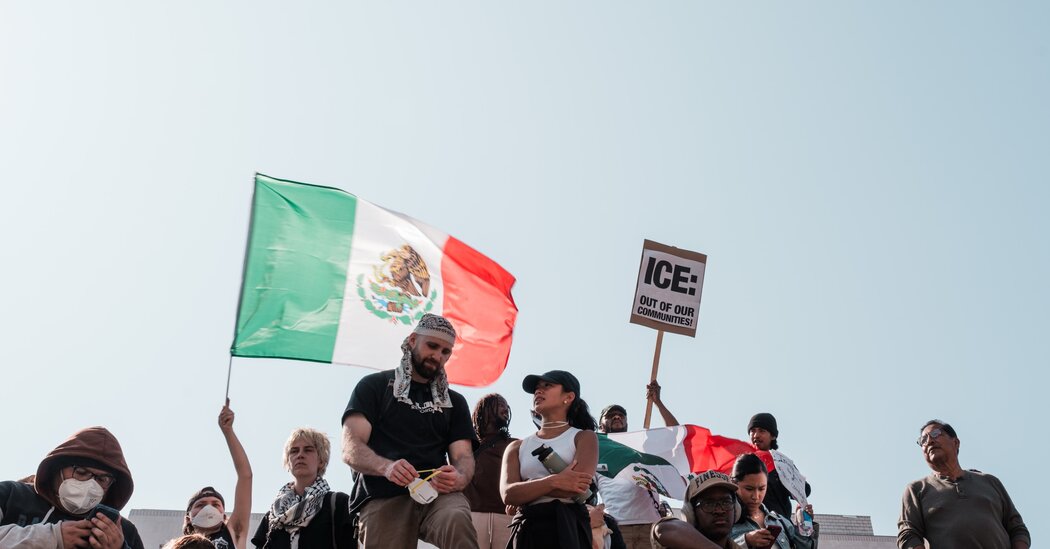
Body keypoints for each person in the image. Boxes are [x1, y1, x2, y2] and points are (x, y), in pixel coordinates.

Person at [341, 313, 478, 549]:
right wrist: (387, 467)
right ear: (413, 340)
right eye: (432, 346)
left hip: (437, 494)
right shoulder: (374, 386)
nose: (438, 356)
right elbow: (350, 448)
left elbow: (463, 456)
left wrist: (460, 477)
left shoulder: (454, 402)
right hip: (383, 495)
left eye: (446, 352)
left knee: (457, 518)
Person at [0, 426, 145, 549]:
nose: (91, 485)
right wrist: (52, 537)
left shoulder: (123, 531)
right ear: (57, 468)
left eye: (102, 479)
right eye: (81, 472)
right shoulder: (11, 495)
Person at [500, 369, 599, 549]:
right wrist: (555, 481)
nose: (538, 391)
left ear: (568, 397)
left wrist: (527, 490)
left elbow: (577, 487)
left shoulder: (584, 437)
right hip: (528, 529)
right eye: (537, 388)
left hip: (569, 527)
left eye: (547, 385)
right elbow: (508, 494)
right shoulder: (516, 447)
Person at [897, 419, 1030, 549]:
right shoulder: (917, 489)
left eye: (936, 434)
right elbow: (908, 536)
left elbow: (1017, 528)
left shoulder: (990, 482)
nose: (930, 441)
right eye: (923, 440)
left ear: (956, 442)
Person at [597, 381, 679, 549]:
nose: (617, 417)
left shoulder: (641, 448)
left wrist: (658, 402)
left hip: (652, 527)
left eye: (621, 415)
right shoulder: (595, 452)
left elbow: (674, 435)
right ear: (600, 426)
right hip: (616, 528)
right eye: (611, 415)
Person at [251, 427, 355, 549]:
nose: (300, 455)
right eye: (294, 451)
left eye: (308, 450)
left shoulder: (337, 503)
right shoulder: (274, 515)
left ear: (321, 460)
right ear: (288, 461)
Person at [183, 400, 253, 549]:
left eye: (216, 504)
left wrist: (228, 431)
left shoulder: (235, 532)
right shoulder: (179, 545)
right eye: (201, 505)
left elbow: (245, 476)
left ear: (224, 515)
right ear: (188, 518)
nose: (209, 508)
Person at [463, 393, 517, 549]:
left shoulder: (515, 445)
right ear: (483, 410)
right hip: (472, 515)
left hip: (507, 517)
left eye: (507, 406)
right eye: (500, 404)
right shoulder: (464, 446)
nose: (505, 408)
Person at [729, 454, 813, 549]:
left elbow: (807, 547)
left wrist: (804, 524)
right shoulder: (724, 521)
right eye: (749, 489)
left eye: (761, 489)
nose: (756, 496)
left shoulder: (780, 521)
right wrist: (746, 540)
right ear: (735, 484)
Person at [650, 470, 740, 549]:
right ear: (691, 512)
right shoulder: (675, 544)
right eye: (709, 504)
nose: (719, 511)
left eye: (726, 502)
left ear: (736, 508)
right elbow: (662, 529)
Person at [746, 413, 810, 518]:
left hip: (779, 525)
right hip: (750, 525)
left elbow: (804, 490)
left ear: (773, 436)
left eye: (762, 431)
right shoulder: (742, 462)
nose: (756, 435)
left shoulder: (781, 462)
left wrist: (784, 478)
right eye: (752, 431)